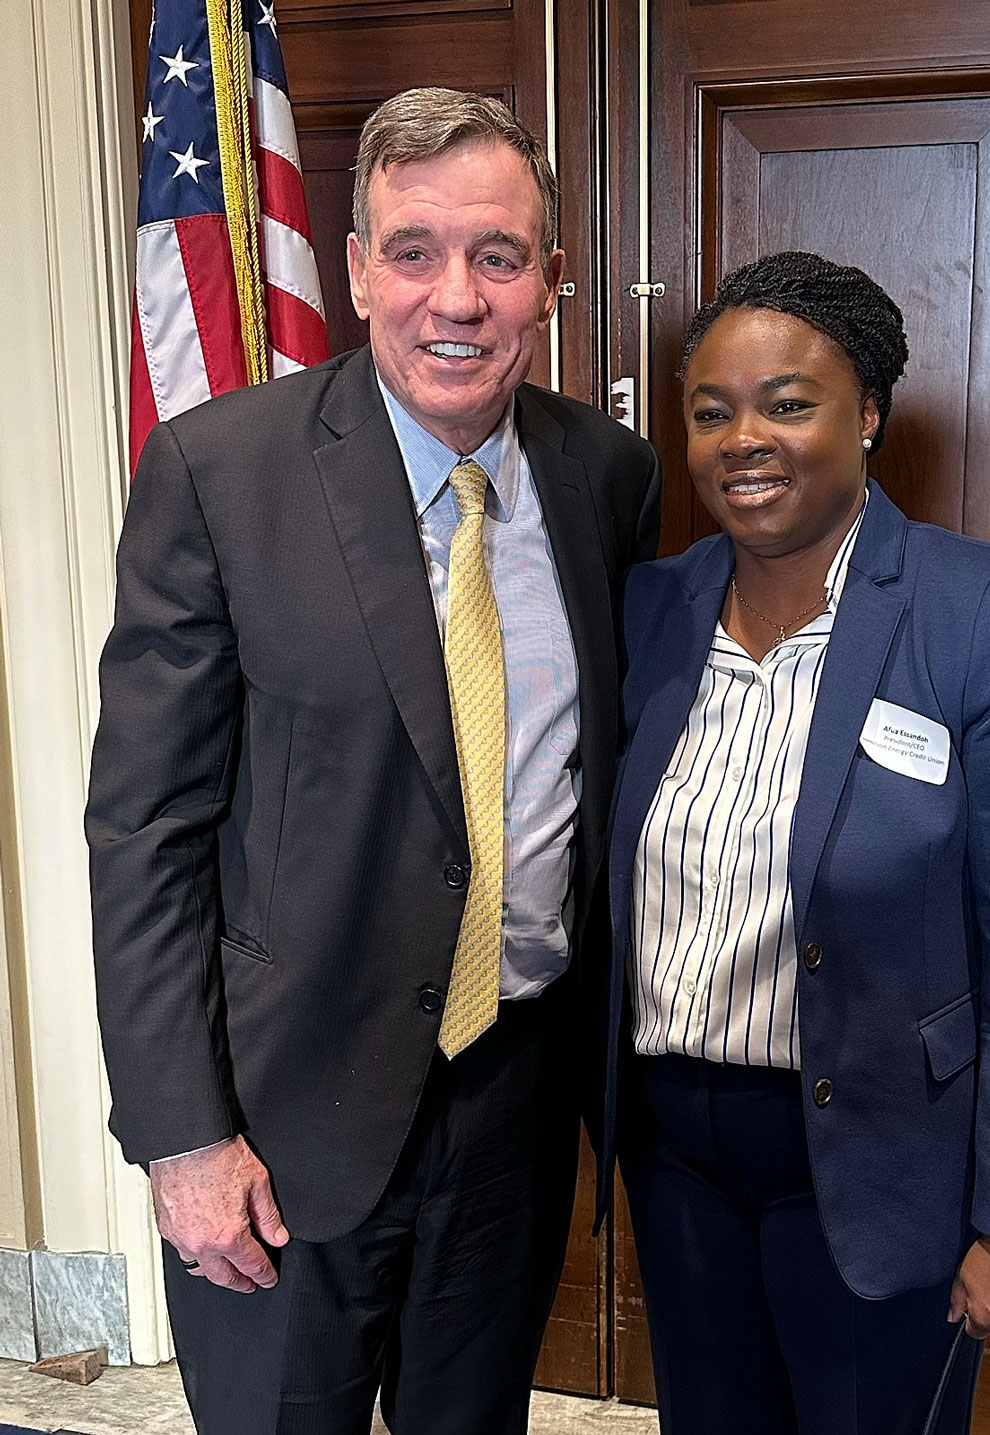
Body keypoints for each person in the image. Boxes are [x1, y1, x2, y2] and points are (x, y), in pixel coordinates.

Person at [86, 87, 659, 1435]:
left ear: (553, 281)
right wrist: (183, 1136)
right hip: (281, 1121)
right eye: (413, 251)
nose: (453, 297)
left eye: (498, 256)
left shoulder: (608, 479)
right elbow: (146, 830)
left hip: (513, 1099)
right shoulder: (219, 474)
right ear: (354, 272)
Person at [600, 250, 990, 1435]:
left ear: (869, 413)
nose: (745, 439)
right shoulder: (653, 611)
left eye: (790, 402)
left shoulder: (982, 610)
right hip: (679, 1159)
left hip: (887, 1165)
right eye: (712, 410)